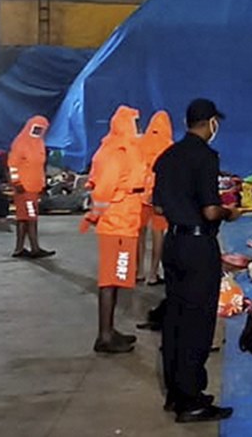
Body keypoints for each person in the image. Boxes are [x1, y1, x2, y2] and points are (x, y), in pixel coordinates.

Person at [152, 98, 241, 422]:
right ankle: (192, 399)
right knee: (197, 323)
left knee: (175, 318)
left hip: (173, 242)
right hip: (197, 245)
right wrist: (230, 213)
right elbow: (209, 210)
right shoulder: (204, 157)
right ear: (210, 122)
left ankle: (176, 393)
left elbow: (159, 207)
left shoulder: (167, 157)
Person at [80, 106, 146, 354]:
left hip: (125, 221)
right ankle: (104, 336)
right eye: (135, 124)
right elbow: (104, 191)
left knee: (116, 279)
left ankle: (109, 330)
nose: (139, 129)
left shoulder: (126, 150)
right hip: (116, 223)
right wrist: (95, 215)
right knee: (110, 280)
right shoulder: (116, 153)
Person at [9, 116, 54, 258]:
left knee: (24, 218)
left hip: (34, 187)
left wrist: (43, 183)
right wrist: (16, 183)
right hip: (25, 188)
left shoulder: (39, 143)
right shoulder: (20, 143)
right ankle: (34, 248)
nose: (38, 131)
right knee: (31, 218)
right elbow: (12, 166)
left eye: (41, 129)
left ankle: (19, 248)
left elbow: (40, 167)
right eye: (36, 128)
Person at [138, 111, 174, 285]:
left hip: (140, 195)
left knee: (140, 233)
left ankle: (138, 271)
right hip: (160, 197)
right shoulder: (169, 146)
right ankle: (153, 273)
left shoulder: (140, 143)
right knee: (158, 234)